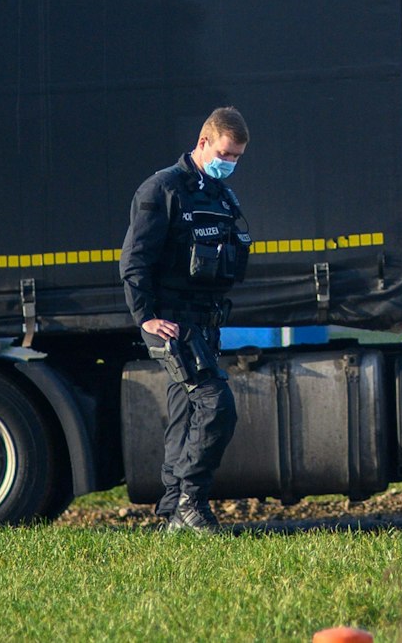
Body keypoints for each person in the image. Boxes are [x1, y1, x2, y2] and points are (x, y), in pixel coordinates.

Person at [120, 107, 253, 533]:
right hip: (171, 323)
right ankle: (193, 503)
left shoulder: (219, 195)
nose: (228, 163)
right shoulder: (162, 189)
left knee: (186, 417)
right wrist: (146, 318)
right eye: (224, 153)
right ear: (203, 143)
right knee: (217, 407)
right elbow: (135, 259)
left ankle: (172, 515)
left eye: (236, 158)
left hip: (204, 323)